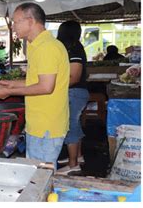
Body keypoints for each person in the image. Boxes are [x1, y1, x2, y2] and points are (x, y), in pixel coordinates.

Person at [0, 3, 70, 168]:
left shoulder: (47, 47)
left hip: (46, 125)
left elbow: (46, 87)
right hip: (39, 123)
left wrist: (9, 92)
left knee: (40, 176)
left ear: (30, 21)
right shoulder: (37, 46)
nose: (13, 27)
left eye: (16, 21)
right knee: (37, 174)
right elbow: (37, 82)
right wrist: (11, 84)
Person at [55, 20, 90, 174]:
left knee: (70, 126)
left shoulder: (74, 49)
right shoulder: (74, 48)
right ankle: (78, 156)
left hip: (74, 92)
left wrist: (51, 86)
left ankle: (73, 163)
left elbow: (74, 77)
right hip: (77, 93)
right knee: (75, 124)